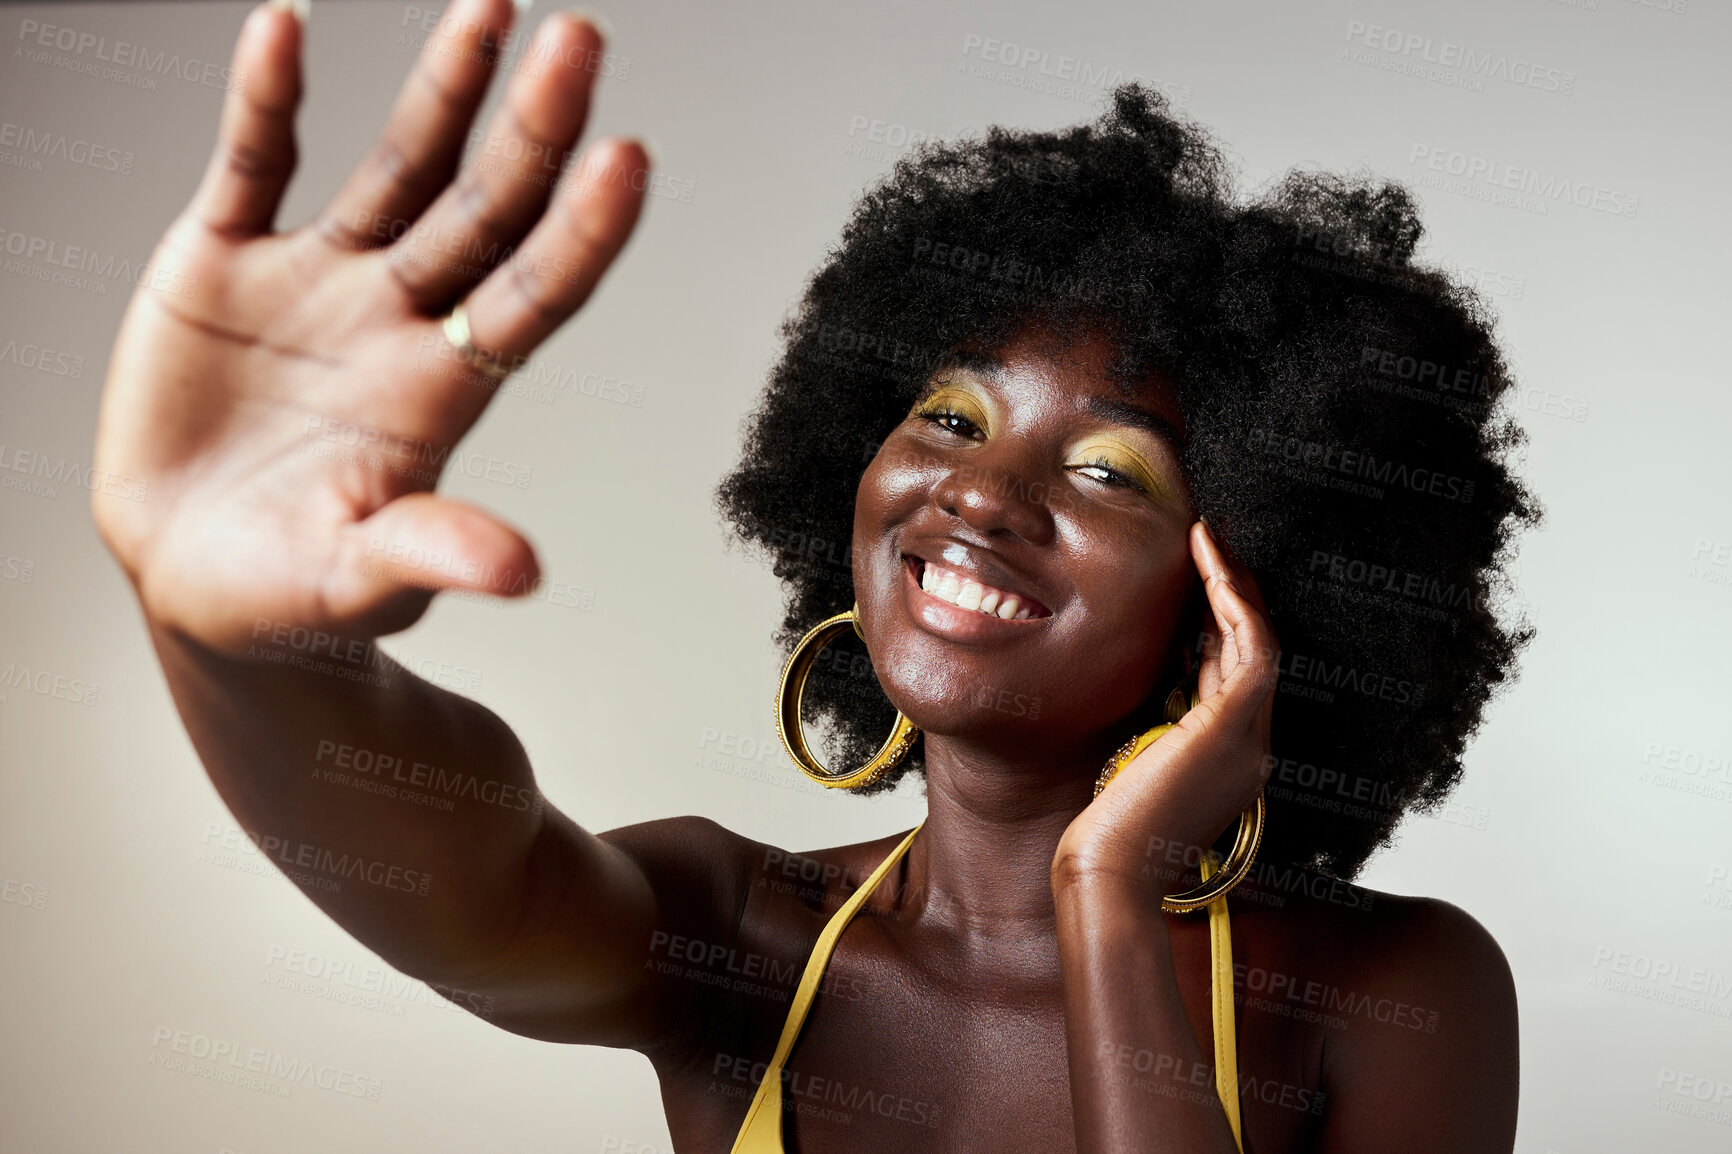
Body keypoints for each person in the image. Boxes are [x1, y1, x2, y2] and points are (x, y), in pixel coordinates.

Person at [91, 0, 1537, 1149]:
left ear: (1246, 601)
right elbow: (464, 868)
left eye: (1109, 470)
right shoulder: (740, 934)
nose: (981, 490)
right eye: (950, 419)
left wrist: (1108, 892)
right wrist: (241, 645)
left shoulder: (1395, 994)